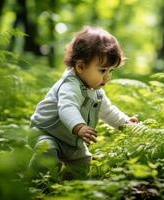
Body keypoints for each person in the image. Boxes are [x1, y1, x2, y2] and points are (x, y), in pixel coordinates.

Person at [28, 26, 138, 180]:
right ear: (80, 67)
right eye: (102, 70)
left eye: (110, 71)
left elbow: (108, 111)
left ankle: (69, 187)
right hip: (47, 132)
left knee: (82, 162)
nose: (107, 78)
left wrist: (126, 123)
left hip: (70, 139)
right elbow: (67, 107)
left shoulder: (96, 92)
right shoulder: (69, 86)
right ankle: (32, 182)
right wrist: (79, 126)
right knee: (48, 151)